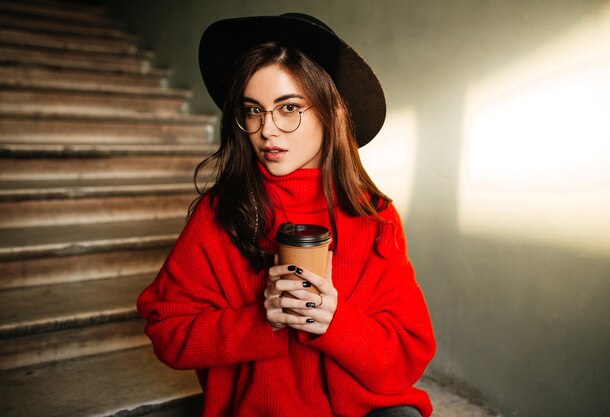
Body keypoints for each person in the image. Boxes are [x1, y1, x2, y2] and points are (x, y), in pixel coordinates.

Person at [137, 13, 436, 417]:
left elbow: (405, 357)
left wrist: (336, 322)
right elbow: (167, 331)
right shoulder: (220, 215)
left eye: (289, 107)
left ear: (331, 112)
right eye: (253, 111)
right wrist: (260, 320)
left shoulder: (375, 217)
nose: (267, 130)